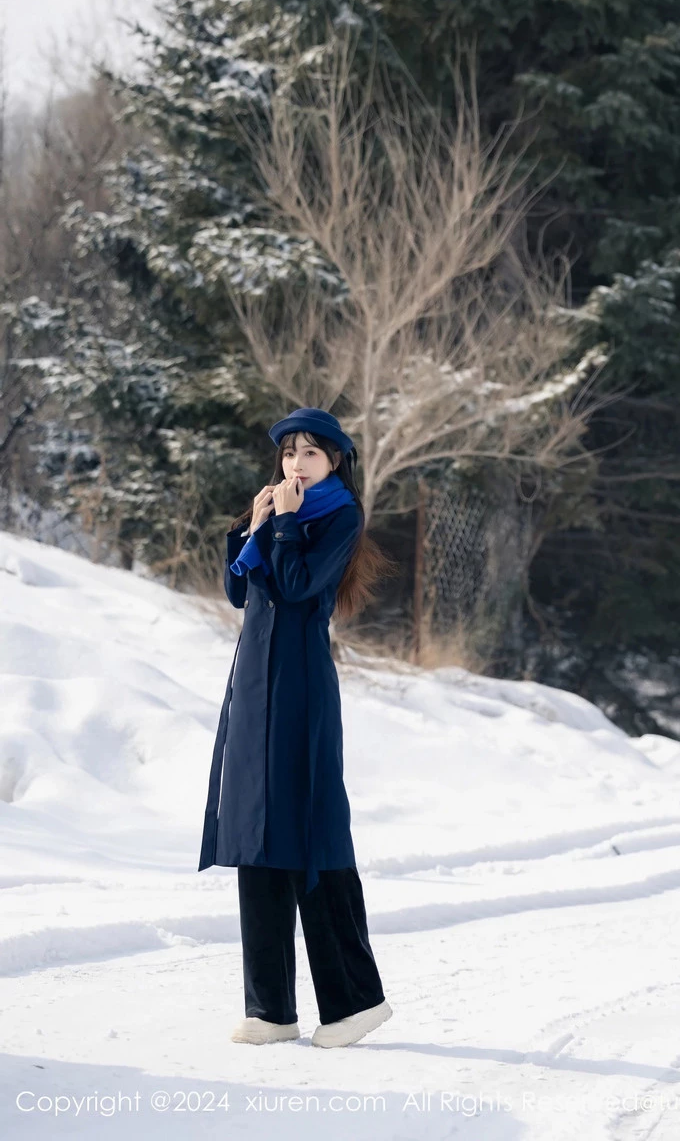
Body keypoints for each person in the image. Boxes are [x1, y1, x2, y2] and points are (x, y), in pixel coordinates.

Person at [198, 406, 393, 1047]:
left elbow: (300, 586)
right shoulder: (278, 514)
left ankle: (354, 1002)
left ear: (334, 461)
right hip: (254, 683)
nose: (296, 464)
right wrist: (256, 523)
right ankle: (269, 1010)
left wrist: (281, 523)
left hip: (301, 686)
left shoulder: (338, 515)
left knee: (310, 830)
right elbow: (237, 592)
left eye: (310, 453)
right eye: (288, 453)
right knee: (257, 826)